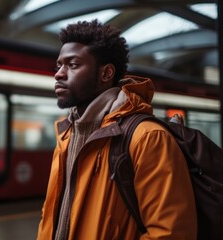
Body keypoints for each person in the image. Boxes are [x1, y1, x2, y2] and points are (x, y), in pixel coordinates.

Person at [37, 20, 197, 239]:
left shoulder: (148, 137)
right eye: (59, 65)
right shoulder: (66, 135)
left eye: (72, 65)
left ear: (106, 73)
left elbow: (171, 233)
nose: (58, 74)